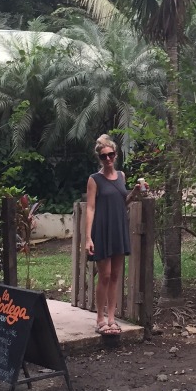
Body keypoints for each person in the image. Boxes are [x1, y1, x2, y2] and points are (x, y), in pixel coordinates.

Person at [84, 134, 145, 335]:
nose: (108, 159)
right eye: (104, 156)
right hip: (102, 230)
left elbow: (122, 202)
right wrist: (88, 237)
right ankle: (100, 318)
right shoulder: (94, 180)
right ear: (99, 159)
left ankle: (112, 318)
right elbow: (91, 208)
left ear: (116, 155)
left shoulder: (121, 176)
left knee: (116, 275)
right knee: (105, 275)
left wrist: (135, 192)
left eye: (111, 155)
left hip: (118, 228)